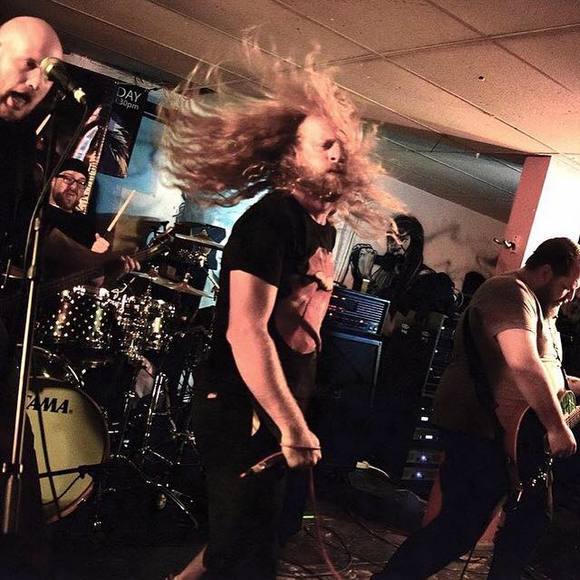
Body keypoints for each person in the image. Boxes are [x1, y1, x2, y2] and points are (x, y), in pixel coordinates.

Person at [159, 42, 401, 579]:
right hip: (239, 404)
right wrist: (291, 424)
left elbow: (300, 328)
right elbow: (246, 331)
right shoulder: (270, 222)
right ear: (291, 156)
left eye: (341, 146)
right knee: (246, 549)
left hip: (277, 402)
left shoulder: (322, 230)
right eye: (324, 145)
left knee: (249, 536)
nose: (337, 155)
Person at [373, 237, 580, 579]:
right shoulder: (509, 293)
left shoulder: (544, 311)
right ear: (545, 272)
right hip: (481, 430)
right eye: (567, 287)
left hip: (513, 436)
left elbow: (548, 372)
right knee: (458, 528)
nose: (570, 296)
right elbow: (524, 364)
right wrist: (557, 427)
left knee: (528, 521)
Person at [0, 15, 63, 579]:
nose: (35, 81)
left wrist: (94, 263)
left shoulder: (21, 149)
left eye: (46, 74)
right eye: (27, 64)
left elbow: (26, 237)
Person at [45, 157, 109, 252]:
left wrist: (98, 255)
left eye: (81, 182)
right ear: (53, 180)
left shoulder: (86, 225)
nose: (74, 187)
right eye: (68, 178)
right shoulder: (39, 215)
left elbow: (91, 259)